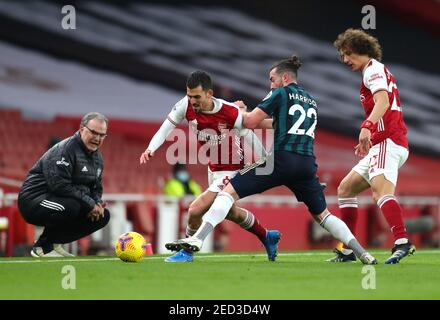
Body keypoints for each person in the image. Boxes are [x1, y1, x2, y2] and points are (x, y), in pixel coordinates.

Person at [168, 56, 378, 265]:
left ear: (284, 78)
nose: (270, 84)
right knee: (323, 216)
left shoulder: (280, 93)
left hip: (280, 161)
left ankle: (197, 238)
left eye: (272, 79)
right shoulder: (311, 100)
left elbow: (249, 122)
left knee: (227, 192)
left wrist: (240, 112)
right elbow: (277, 125)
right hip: (306, 165)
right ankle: (361, 252)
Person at [140, 70, 280, 263]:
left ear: (209, 94)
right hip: (212, 168)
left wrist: (266, 158)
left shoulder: (229, 111)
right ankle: (267, 236)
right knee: (231, 213)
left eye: (197, 97)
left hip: (232, 170)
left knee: (196, 209)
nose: (193, 101)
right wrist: (151, 148)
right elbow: (167, 127)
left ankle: (187, 250)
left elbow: (248, 132)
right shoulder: (185, 105)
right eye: (189, 96)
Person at [328, 28, 415, 264]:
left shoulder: (373, 70)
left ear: (362, 50)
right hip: (381, 142)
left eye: (348, 54)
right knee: (346, 189)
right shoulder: (372, 70)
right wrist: (369, 136)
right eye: (343, 55)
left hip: (390, 141)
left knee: (380, 194)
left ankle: (402, 241)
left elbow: (383, 101)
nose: (345, 60)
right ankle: (348, 249)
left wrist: (367, 126)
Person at [17, 112, 110, 257]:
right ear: (81, 129)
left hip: (61, 200)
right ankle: (42, 247)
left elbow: (96, 187)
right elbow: (59, 185)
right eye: (93, 132)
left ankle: (54, 243)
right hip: (33, 200)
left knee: (102, 216)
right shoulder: (65, 149)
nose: (97, 138)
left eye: (102, 135)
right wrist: (89, 203)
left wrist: (96, 203)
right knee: (72, 206)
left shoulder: (98, 158)